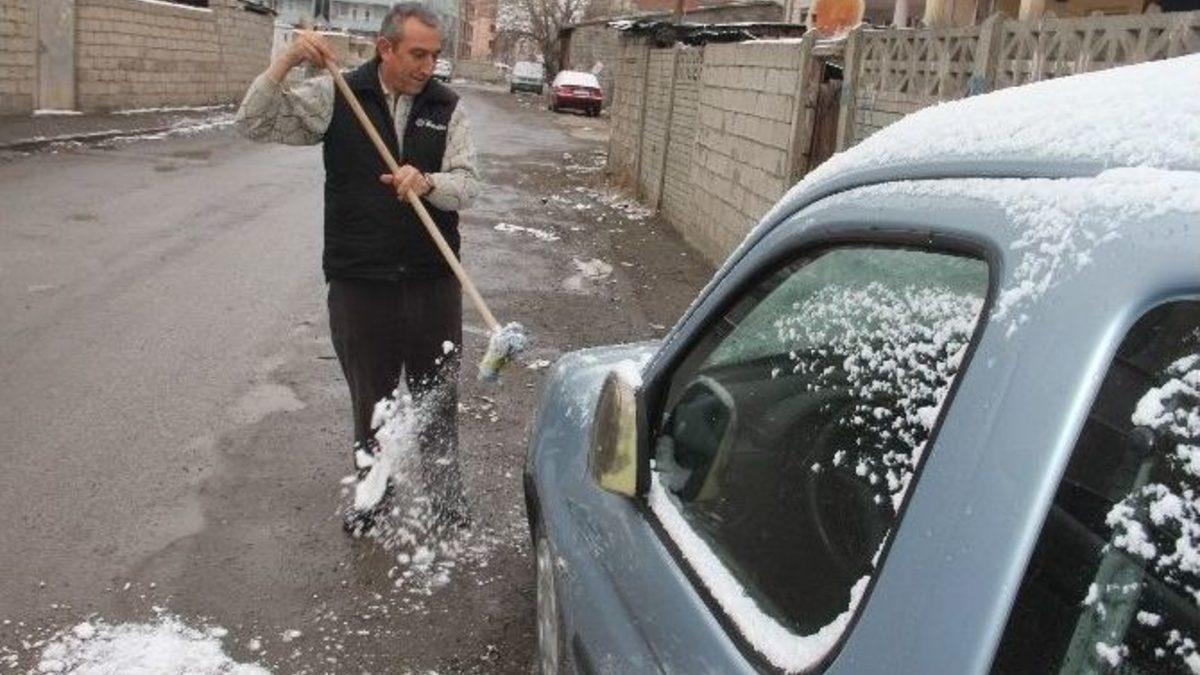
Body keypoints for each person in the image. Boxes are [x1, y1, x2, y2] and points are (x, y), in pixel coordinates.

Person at [234, 3, 480, 535]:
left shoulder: (447, 107)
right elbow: (253, 122)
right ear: (385, 48)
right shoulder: (338, 95)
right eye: (417, 54)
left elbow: (468, 184)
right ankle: (373, 498)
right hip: (360, 280)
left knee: (437, 398)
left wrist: (428, 183)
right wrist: (285, 63)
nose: (428, 67)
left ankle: (445, 502)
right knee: (373, 400)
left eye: (435, 56)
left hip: (432, 279)